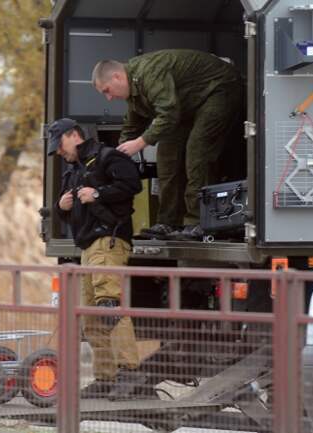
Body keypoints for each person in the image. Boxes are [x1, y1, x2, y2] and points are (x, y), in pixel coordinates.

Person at [92, 49, 243, 240]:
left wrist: (140, 143)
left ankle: (198, 221)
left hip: (219, 89)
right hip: (188, 105)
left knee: (197, 152)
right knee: (167, 156)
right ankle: (167, 222)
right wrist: (115, 159)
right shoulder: (134, 89)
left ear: (117, 77)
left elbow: (169, 115)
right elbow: (132, 126)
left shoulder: (149, 74)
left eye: (107, 90)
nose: (109, 98)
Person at [49, 117, 144, 401]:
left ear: (73, 135)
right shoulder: (73, 171)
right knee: (90, 316)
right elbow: (74, 212)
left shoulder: (108, 157)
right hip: (89, 247)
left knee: (109, 306)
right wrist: (61, 207)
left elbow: (132, 186)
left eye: (59, 145)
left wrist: (98, 192)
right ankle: (106, 377)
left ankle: (130, 373)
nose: (58, 152)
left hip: (108, 241)